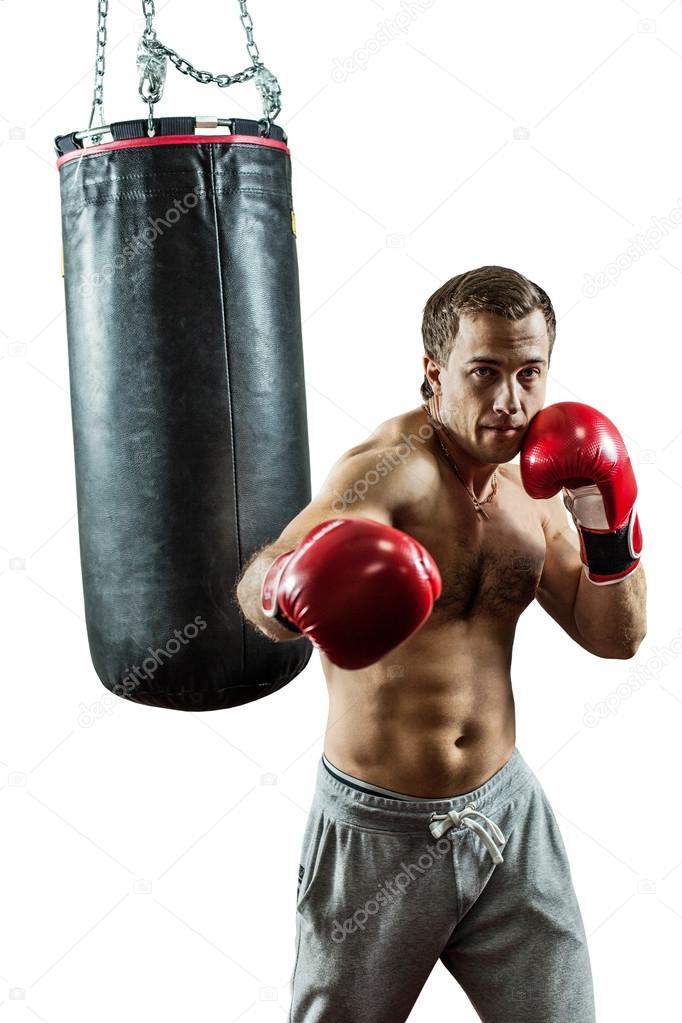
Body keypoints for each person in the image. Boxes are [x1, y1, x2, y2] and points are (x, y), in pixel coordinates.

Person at [235, 265, 647, 1023]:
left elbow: (613, 636)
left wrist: (608, 518)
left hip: (505, 813)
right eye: (484, 373)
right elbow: (259, 584)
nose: (510, 402)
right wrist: (287, 585)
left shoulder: (537, 480)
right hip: (379, 831)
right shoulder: (385, 475)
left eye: (530, 374)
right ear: (435, 372)